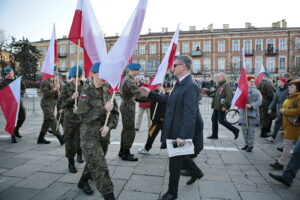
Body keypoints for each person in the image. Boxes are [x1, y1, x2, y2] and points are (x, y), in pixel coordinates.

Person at [141, 56, 203, 200]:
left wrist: (183, 135)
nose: (173, 67)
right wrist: (150, 94)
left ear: (184, 66)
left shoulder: (190, 85)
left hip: (180, 128)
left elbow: (190, 113)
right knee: (178, 154)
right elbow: (169, 100)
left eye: (175, 65)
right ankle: (197, 172)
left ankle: (172, 193)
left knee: (174, 161)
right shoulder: (179, 83)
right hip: (173, 125)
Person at [76, 62, 119, 200]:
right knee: (100, 167)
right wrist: (103, 109)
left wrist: (109, 126)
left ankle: (83, 181)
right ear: (92, 74)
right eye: (101, 74)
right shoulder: (85, 91)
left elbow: (115, 113)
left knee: (94, 161)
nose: (104, 77)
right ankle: (109, 196)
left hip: (103, 134)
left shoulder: (107, 88)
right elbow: (83, 116)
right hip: (89, 135)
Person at [59, 66, 85, 173]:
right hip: (69, 119)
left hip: (81, 119)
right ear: (71, 77)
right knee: (70, 141)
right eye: (74, 76)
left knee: (80, 140)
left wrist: (80, 108)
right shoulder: (66, 87)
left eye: (79, 76)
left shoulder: (86, 87)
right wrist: (72, 98)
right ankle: (71, 162)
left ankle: (79, 154)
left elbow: (89, 102)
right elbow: (60, 103)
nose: (77, 79)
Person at [270, 80, 300, 170]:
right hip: (288, 125)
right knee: (288, 145)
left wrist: (285, 111)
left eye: (292, 87)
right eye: (290, 87)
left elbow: (298, 111)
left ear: (297, 89)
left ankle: (280, 163)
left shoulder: (298, 97)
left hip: (294, 125)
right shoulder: (290, 97)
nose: (289, 88)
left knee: (287, 145)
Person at [119, 63, 146, 161]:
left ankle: (122, 151)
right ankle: (126, 153)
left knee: (125, 130)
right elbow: (139, 95)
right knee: (129, 131)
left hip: (127, 106)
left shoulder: (127, 79)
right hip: (128, 107)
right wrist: (152, 96)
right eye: (137, 71)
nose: (138, 72)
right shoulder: (129, 81)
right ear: (133, 70)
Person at [203, 73, 239, 140]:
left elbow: (229, 96)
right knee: (214, 119)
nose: (217, 78)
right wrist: (207, 91)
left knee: (221, 121)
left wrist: (225, 106)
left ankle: (235, 130)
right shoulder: (220, 86)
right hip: (217, 106)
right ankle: (214, 135)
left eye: (219, 77)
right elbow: (213, 94)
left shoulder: (226, 85)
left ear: (223, 77)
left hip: (221, 106)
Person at [38, 66, 64, 145]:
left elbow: (56, 95)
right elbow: (45, 94)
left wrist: (58, 90)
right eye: (54, 71)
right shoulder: (45, 81)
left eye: (56, 71)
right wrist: (55, 89)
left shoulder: (54, 81)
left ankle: (40, 138)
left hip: (52, 104)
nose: (56, 72)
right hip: (46, 104)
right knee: (52, 120)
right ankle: (61, 139)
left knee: (46, 122)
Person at [138, 86, 168, 155]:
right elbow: (146, 99)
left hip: (161, 120)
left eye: (160, 86)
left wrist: (163, 116)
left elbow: (166, 106)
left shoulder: (165, 95)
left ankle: (173, 150)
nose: (158, 88)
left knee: (168, 135)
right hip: (156, 120)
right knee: (151, 134)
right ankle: (146, 148)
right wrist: (136, 98)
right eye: (157, 86)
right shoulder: (155, 94)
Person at [0, 67, 26, 143]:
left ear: (13, 73)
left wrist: (21, 91)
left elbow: (23, 88)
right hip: (9, 104)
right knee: (12, 120)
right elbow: (2, 93)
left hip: (18, 103)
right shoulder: (3, 83)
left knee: (22, 117)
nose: (8, 75)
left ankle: (16, 130)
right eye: (6, 74)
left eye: (9, 73)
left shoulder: (18, 81)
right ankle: (12, 135)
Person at [239, 76, 262, 152]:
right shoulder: (242, 90)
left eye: (253, 81)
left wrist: (251, 105)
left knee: (251, 131)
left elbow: (260, 101)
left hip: (252, 113)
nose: (252, 83)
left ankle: (250, 145)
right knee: (244, 130)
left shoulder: (257, 91)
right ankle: (246, 144)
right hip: (243, 113)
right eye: (250, 81)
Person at [265, 78, 289, 142]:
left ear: (283, 83)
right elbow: (274, 100)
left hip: (288, 111)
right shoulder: (278, 90)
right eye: (278, 81)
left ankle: (289, 142)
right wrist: (270, 108)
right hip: (281, 110)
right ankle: (273, 138)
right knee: (278, 123)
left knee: (287, 125)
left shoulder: (288, 90)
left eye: (279, 82)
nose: (277, 82)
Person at [257, 72, 274, 138]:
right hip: (267, 103)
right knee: (267, 118)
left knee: (262, 117)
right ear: (267, 76)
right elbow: (271, 95)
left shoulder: (260, 83)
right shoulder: (268, 84)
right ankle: (263, 133)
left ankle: (263, 132)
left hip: (261, 103)